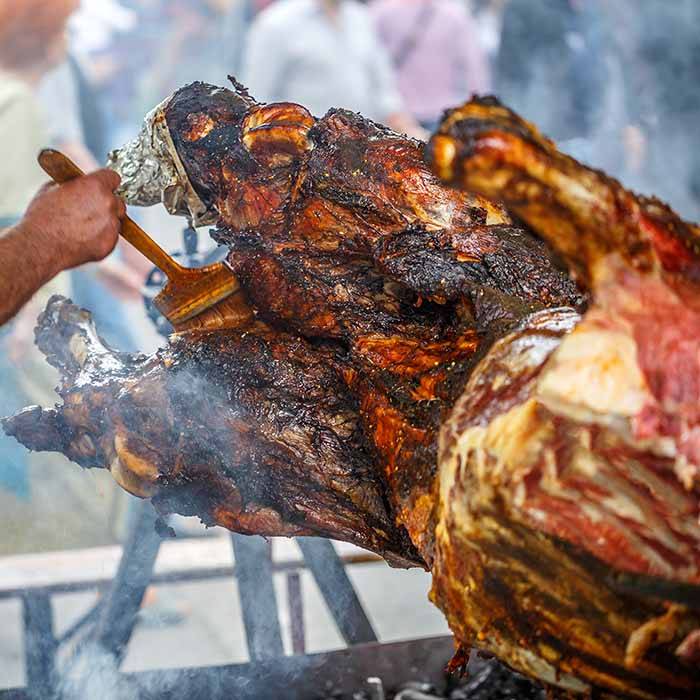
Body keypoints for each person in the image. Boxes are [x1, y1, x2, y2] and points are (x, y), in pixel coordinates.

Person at [242, 0, 424, 138]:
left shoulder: (361, 18)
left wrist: (410, 131)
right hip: (304, 156)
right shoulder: (276, 24)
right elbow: (256, 100)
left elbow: (383, 92)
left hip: (360, 151)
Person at [370, 0, 490, 131]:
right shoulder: (455, 14)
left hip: (397, 113)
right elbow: (474, 70)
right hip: (441, 112)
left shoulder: (382, 11)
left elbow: (369, 61)